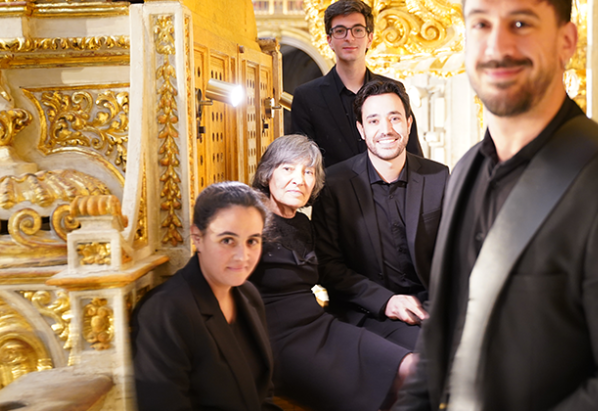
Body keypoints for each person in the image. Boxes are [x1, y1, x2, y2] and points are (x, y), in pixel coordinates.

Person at [393, 0, 598, 411]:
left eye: (521, 24)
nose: (497, 47)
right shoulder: (465, 169)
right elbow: (439, 346)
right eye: (481, 24)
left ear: (566, 41)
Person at [249, 134, 417, 411]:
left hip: (320, 325)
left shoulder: (303, 223)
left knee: (414, 369)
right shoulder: (249, 217)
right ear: (268, 173)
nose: (299, 179)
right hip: (278, 342)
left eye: (308, 171)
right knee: (377, 397)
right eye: (287, 168)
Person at [312, 77, 449, 350]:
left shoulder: (439, 176)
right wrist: (386, 302)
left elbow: (457, 250)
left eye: (395, 118)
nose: (386, 129)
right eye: (374, 121)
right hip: (366, 311)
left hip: (431, 306)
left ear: (409, 123)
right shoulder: (334, 184)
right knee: (434, 357)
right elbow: (327, 266)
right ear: (361, 129)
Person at [132, 181, 282, 411]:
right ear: (197, 237)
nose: (243, 256)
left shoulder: (249, 296)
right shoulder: (164, 312)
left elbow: (263, 395)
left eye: (252, 241)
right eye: (227, 240)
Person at [291, 0, 423, 167]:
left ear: (370, 38)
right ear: (329, 40)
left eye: (357, 30)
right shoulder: (307, 97)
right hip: (332, 192)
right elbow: (303, 164)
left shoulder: (394, 90)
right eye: (340, 31)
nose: (349, 38)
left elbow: (413, 155)